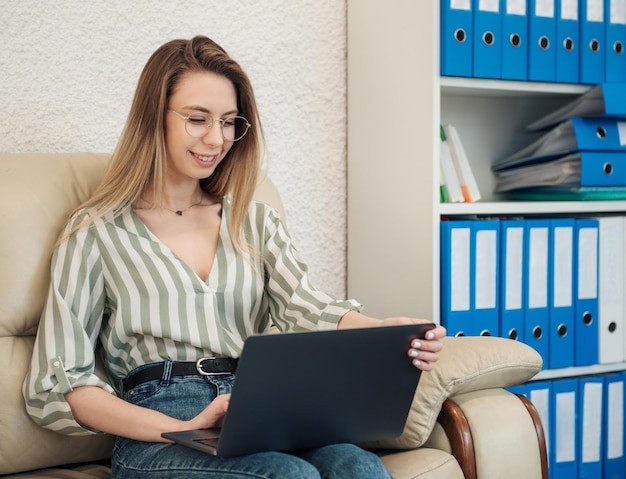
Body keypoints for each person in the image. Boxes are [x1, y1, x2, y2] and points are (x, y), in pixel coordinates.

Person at [23, 35, 446, 479]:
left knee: (358, 466)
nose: (216, 138)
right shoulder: (94, 232)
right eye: (197, 119)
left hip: (258, 410)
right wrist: (181, 426)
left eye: (228, 121)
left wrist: (383, 331)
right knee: (289, 476)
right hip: (159, 427)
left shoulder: (253, 220)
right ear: (155, 118)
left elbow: (305, 306)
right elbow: (64, 382)